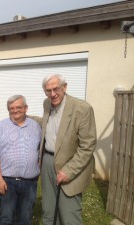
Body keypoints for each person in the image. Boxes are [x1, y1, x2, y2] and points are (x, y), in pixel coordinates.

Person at [39, 74, 97, 225]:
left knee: (69, 215)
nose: (52, 94)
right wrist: (24, 116)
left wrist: (68, 171)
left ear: (64, 87)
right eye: (48, 91)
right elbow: (49, 124)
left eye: (56, 89)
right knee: (49, 211)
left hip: (70, 164)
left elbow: (88, 145)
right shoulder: (47, 104)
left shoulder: (82, 108)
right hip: (47, 162)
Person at [0, 95, 41, 225]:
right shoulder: (1, 127)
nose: (15, 110)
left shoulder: (36, 127)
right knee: (6, 219)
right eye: (12, 108)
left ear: (26, 108)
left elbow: (40, 152)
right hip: (8, 182)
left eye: (19, 107)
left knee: (25, 219)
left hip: (30, 183)